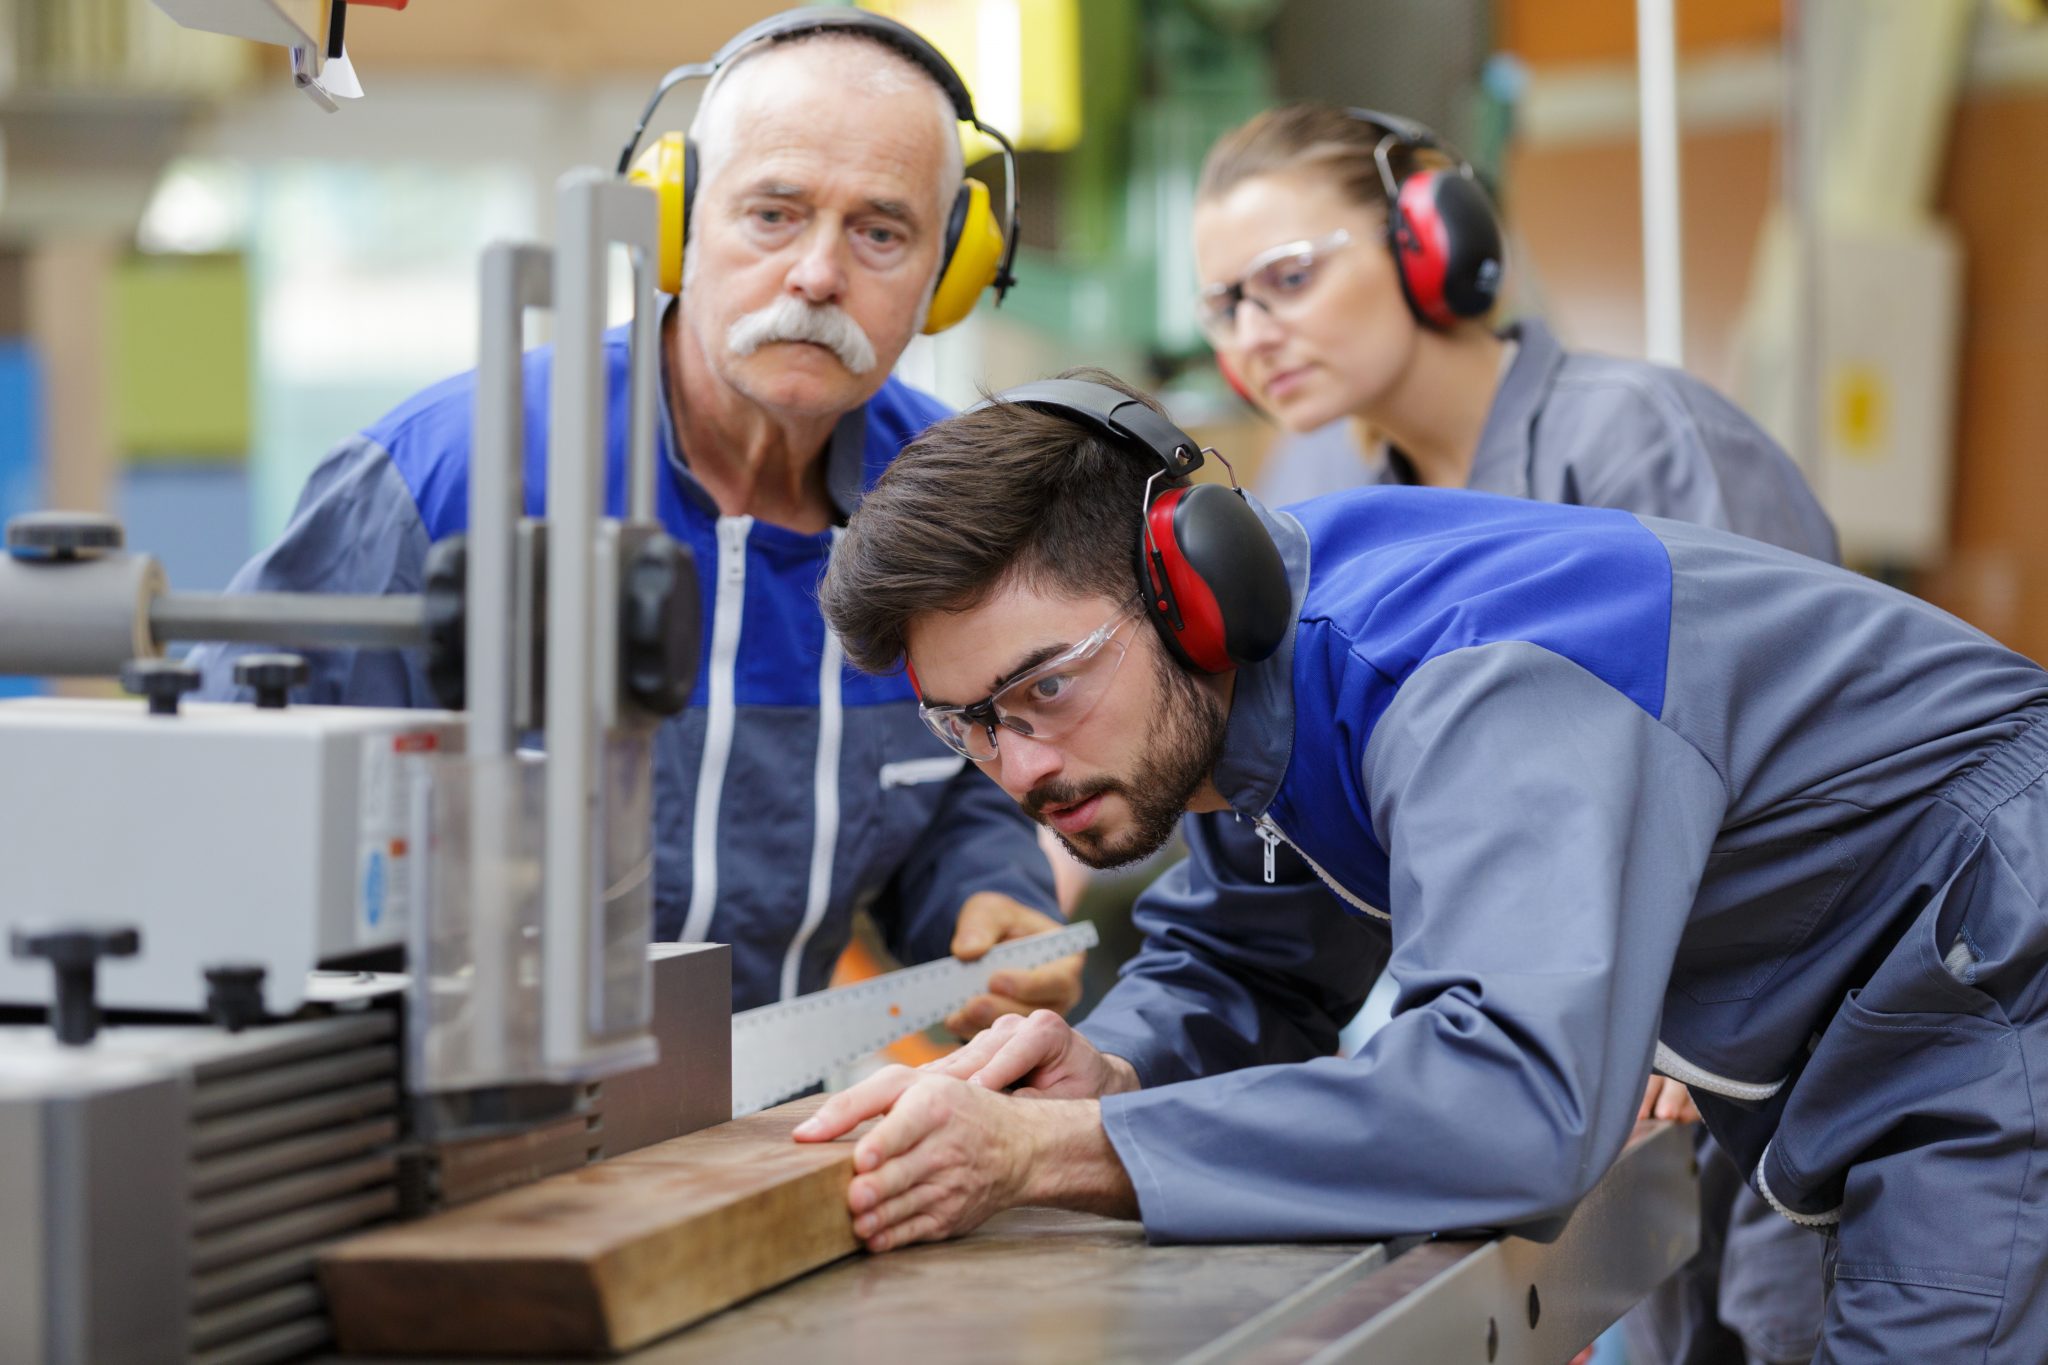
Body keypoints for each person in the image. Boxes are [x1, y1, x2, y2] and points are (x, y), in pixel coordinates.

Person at [797, 373, 2048, 1364]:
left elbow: (1516, 1104)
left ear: (1190, 589)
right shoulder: (1249, 692)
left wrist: (1041, 1155)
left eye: (1043, 689)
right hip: (1904, 1011)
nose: (1016, 768)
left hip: (1998, 959)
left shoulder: (1465, 677)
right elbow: (1246, 953)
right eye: (967, 723)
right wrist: (1105, 1076)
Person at [188, 10, 1074, 1023]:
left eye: (879, 231)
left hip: (760, 1141)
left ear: (948, 271)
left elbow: (961, 777)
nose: (818, 274)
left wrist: (989, 889)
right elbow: (229, 792)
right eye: (773, 213)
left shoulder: (956, 508)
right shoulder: (446, 472)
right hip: (458, 1111)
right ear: (677, 221)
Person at [1194, 103, 1835, 1364]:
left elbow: (1788, 789)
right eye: (1220, 307)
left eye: (1283, 279)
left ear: (1433, 234)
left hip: (1788, 1058)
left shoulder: (1642, 440)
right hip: (1591, 1098)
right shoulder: (1329, 527)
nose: (1250, 333)